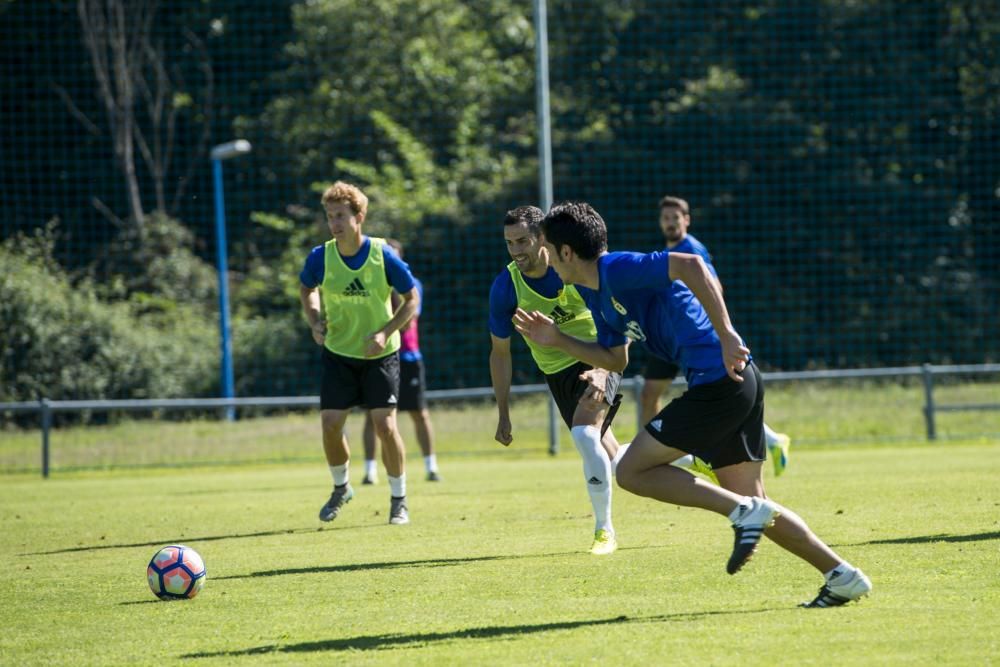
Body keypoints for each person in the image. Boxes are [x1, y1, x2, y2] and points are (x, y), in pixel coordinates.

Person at [514, 202, 871, 607]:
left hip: (721, 381)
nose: (543, 256)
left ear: (565, 252)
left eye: (546, 246)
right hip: (733, 383)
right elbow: (616, 359)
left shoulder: (616, 269)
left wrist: (727, 333)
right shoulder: (591, 294)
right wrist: (558, 340)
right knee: (757, 504)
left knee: (630, 470)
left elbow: (691, 266)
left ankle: (741, 512)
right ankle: (842, 576)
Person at [488, 205, 634, 556]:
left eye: (523, 240)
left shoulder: (573, 270)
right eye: (509, 243)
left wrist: (604, 368)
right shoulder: (506, 287)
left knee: (584, 435)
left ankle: (604, 531)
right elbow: (500, 353)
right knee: (621, 464)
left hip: (598, 359)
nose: (516, 250)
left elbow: (616, 321)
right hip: (557, 376)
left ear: (543, 238)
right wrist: (504, 413)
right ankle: (692, 460)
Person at [640, 195, 791, 476]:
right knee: (649, 394)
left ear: (687, 220)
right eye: (666, 218)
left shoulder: (692, 249)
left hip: (694, 338)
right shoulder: (668, 253)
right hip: (671, 335)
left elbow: (713, 288)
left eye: (676, 217)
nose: (671, 222)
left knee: (706, 395)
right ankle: (657, 454)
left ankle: (664, 456)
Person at [298, 181, 419, 526]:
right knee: (330, 424)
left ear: (359, 216)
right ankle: (341, 488)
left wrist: (385, 331)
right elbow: (307, 288)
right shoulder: (320, 257)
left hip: (380, 356)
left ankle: (399, 499)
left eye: (341, 216)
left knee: (385, 425)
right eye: (330, 216)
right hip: (339, 353)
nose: (334, 223)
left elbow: (412, 299)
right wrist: (314, 320)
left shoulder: (383, 255)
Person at [361, 238, 441, 484]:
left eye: (392, 258)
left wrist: (392, 284)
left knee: (419, 413)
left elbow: (406, 321)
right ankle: (370, 471)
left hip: (407, 357)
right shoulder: (371, 285)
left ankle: (431, 467)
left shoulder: (411, 285)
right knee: (372, 416)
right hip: (378, 357)